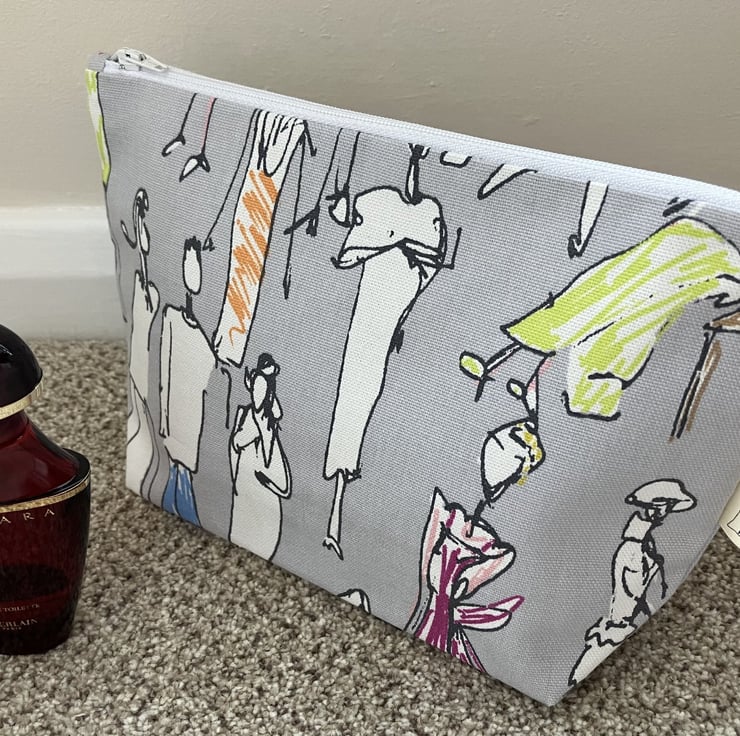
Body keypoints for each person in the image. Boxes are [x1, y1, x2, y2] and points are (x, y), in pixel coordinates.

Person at [569, 479, 697, 685]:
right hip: (621, 621)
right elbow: (630, 592)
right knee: (595, 650)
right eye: (663, 506)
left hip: (626, 619)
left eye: (669, 506)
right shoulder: (634, 549)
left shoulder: (645, 542)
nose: (665, 512)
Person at [159, 237, 216, 526]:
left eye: (197, 265)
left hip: (193, 418)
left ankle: (185, 504)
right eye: (189, 262)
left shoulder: (205, 339)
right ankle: (179, 502)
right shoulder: (172, 317)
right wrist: (164, 419)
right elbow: (164, 372)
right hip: (174, 411)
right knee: (175, 464)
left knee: (185, 467)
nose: (193, 273)